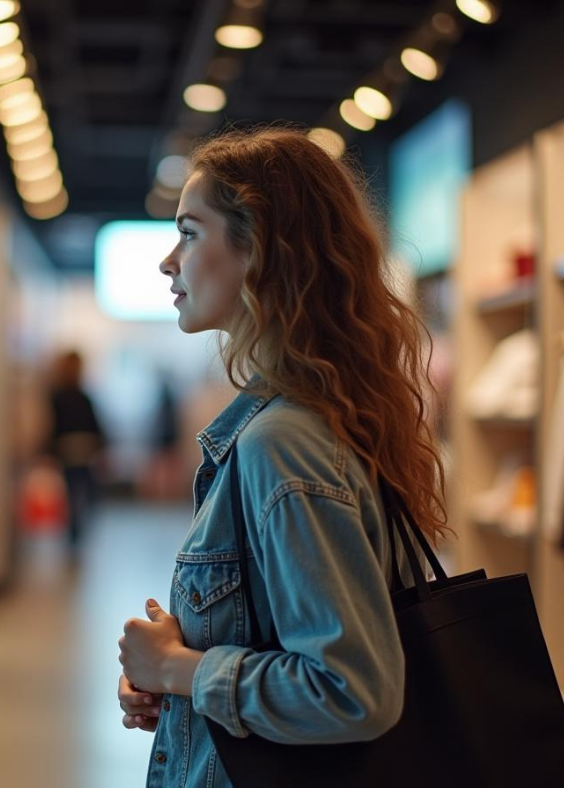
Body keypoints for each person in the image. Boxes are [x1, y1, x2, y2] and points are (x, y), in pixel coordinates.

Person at [116, 127, 448, 787]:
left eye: (189, 232)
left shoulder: (283, 442)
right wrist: (178, 677)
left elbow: (352, 690)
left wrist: (180, 670)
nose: (167, 261)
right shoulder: (317, 420)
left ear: (259, 248)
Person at [47, 350, 105, 552]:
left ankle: (76, 534)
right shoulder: (65, 397)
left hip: (79, 453)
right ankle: (74, 535)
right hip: (72, 453)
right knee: (76, 495)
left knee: (81, 495)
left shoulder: (70, 397)